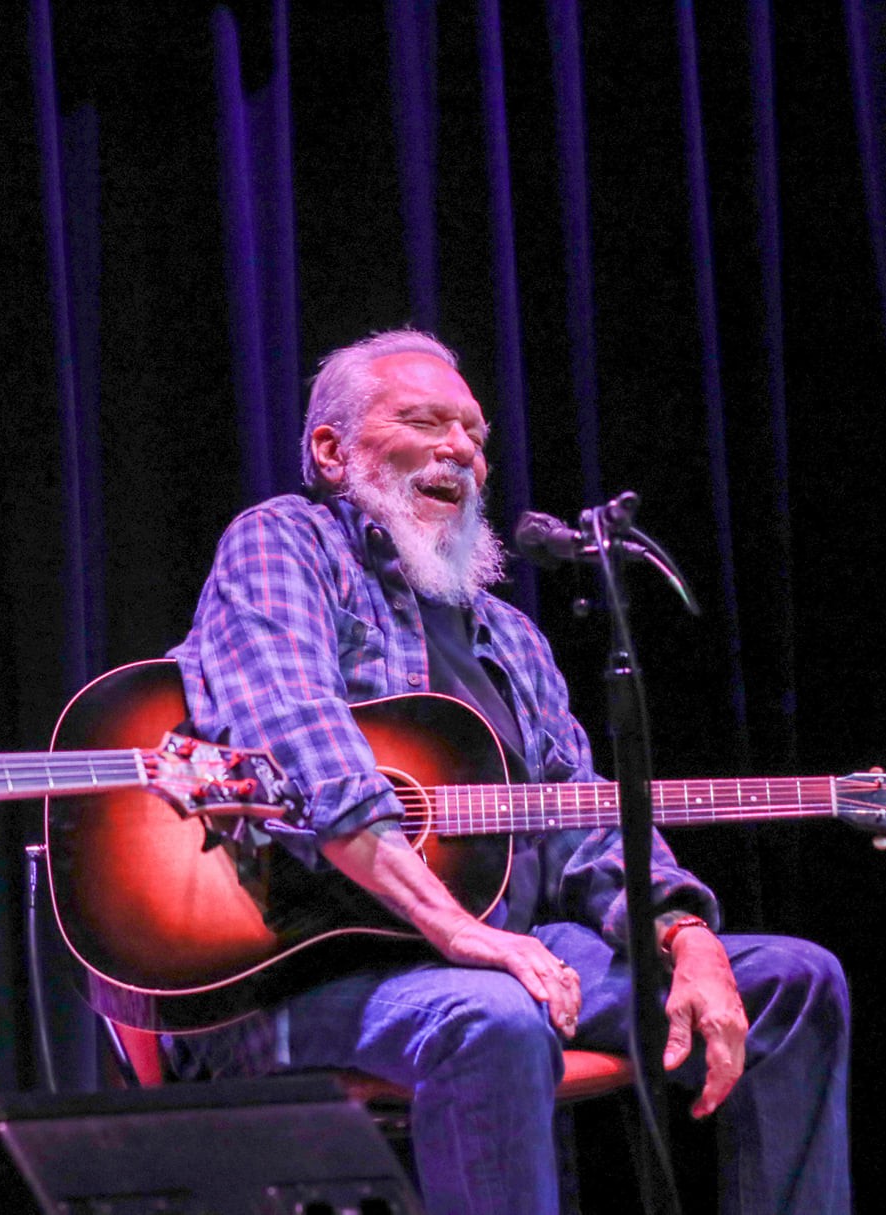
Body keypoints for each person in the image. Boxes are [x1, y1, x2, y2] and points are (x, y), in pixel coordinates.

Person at [167, 329, 850, 1214]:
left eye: (477, 435)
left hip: (511, 954)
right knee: (492, 1015)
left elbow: (585, 821)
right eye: (424, 422)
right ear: (333, 452)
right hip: (310, 966)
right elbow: (300, 740)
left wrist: (687, 933)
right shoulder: (284, 544)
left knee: (794, 983)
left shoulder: (509, 636)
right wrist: (459, 931)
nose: (462, 449)